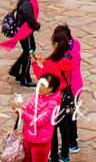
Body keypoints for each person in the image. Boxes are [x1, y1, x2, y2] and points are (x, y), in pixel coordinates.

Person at [37, 25, 83, 162]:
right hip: (72, 88)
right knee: (69, 117)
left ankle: (71, 144)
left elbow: (55, 73)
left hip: (70, 89)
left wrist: (48, 63)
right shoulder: (73, 48)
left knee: (65, 121)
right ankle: (69, 146)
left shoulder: (68, 57)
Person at [2, 0, 43, 84]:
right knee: (30, 52)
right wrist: (37, 26)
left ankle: (16, 70)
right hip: (25, 31)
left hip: (25, 31)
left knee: (28, 50)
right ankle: (25, 77)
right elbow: (30, 20)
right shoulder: (27, 4)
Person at [18, 74, 60, 162]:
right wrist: (18, 109)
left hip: (40, 143)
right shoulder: (37, 95)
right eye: (40, 84)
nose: (39, 87)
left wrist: (22, 113)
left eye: (43, 85)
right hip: (28, 138)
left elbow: (39, 121)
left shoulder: (53, 104)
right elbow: (26, 108)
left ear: (51, 88)